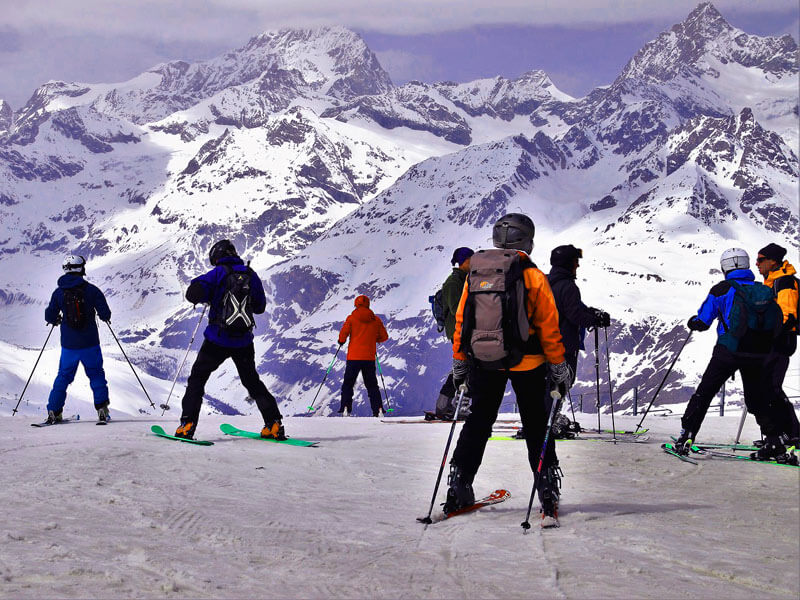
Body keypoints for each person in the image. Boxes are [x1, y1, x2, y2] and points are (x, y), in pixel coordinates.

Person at [447, 213, 571, 527]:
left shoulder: (476, 271)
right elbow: (548, 327)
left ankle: (458, 485)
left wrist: (460, 361)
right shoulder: (532, 275)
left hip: (485, 362)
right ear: (527, 240)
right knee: (536, 424)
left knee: (478, 422)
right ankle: (546, 491)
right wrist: (558, 366)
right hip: (528, 363)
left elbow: (463, 321)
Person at [676, 248, 787, 461]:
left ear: (725, 266)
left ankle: (686, 436)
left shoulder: (722, 288)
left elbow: (703, 320)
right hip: (758, 352)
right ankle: (774, 441)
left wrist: (694, 322)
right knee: (757, 398)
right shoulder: (761, 289)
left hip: (729, 350)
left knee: (705, 392)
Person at [175, 239, 284, 440]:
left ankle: (187, 425)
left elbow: (193, 294)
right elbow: (259, 307)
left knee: (197, 379)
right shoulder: (251, 274)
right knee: (252, 382)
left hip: (217, 339)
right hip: (243, 341)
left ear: (217, 256)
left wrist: (210, 295)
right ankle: (274, 424)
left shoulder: (218, 272)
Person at [516, 245, 608, 439]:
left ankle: (535, 423)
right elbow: (575, 314)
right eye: (576, 262)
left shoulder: (545, 282)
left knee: (544, 385)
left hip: (539, 344)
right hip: (563, 345)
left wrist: (590, 313)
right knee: (561, 383)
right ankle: (547, 425)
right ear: (568, 263)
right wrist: (596, 318)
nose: (578, 266)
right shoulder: (568, 286)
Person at [44, 255, 112, 423]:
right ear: (81, 268)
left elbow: (49, 315)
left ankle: (54, 411)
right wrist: (102, 316)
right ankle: (102, 409)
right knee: (96, 374)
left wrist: (57, 319)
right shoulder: (92, 290)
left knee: (63, 376)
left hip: (69, 345)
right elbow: (105, 313)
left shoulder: (59, 292)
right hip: (90, 343)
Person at [756, 243, 799, 444]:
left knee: (771, 387)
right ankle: (786, 433)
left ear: (773, 261)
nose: (757, 264)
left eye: (761, 259)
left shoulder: (784, 282)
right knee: (770, 387)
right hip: (779, 339)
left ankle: (791, 434)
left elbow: (786, 314)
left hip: (781, 340)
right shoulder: (774, 281)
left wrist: (767, 335)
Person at [430, 247, 474, 420]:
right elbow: (458, 309)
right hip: (459, 330)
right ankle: (445, 405)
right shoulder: (454, 282)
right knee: (464, 366)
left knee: (466, 366)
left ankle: (449, 404)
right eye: (471, 259)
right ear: (463, 261)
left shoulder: (463, 279)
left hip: (464, 329)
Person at [337, 295, 389, 416]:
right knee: (372, 385)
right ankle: (378, 410)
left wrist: (341, 341)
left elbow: (343, 333)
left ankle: (345, 407)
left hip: (353, 357)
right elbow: (384, 336)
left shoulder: (351, 318)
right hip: (369, 358)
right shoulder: (375, 320)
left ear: (356, 305)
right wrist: (375, 338)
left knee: (348, 384)